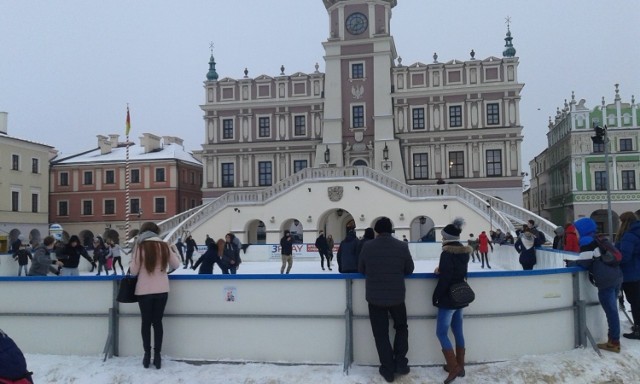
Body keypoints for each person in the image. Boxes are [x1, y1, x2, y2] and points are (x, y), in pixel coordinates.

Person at [358, 217, 414, 383]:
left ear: (376, 231)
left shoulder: (368, 246)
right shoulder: (402, 246)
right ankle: (401, 364)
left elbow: (361, 269)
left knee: (380, 334)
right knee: (401, 328)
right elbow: (409, 269)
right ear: (391, 230)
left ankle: (388, 369)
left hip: (375, 298)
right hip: (397, 297)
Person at [129, 221, 181, 369]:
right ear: (156, 232)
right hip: (162, 289)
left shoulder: (140, 247)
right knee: (157, 323)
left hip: (144, 291)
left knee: (146, 323)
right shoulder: (164, 246)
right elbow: (176, 265)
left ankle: (146, 356)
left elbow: (133, 271)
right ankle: (157, 356)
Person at [567, 217, 622, 353]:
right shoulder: (599, 238)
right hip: (616, 276)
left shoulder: (586, 241)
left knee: (611, 312)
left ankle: (614, 342)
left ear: (582, 229)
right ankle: (612, 339)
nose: (576, 232)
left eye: (577, 229)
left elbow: (584, 262)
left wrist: (571, 263)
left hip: (605, 280)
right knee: (613, 310)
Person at [433, 218, 472, 384]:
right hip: (461, 295)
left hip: (449, 299)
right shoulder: (464, 252)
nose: (442, 239)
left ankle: (453, 366)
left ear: (447, 238)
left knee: (441, 333)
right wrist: (441, 269)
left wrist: (436, 296)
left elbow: (446, 278)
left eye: (443, 237)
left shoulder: (447, 253)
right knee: (458, 331)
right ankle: (460, 365)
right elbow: (458, 272)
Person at [616, 211, 640, 339]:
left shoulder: (629, 236)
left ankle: (638, 329)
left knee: (635, 302)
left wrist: (613, 259)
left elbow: (624, 256)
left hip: (630, 273)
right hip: (637, 271)